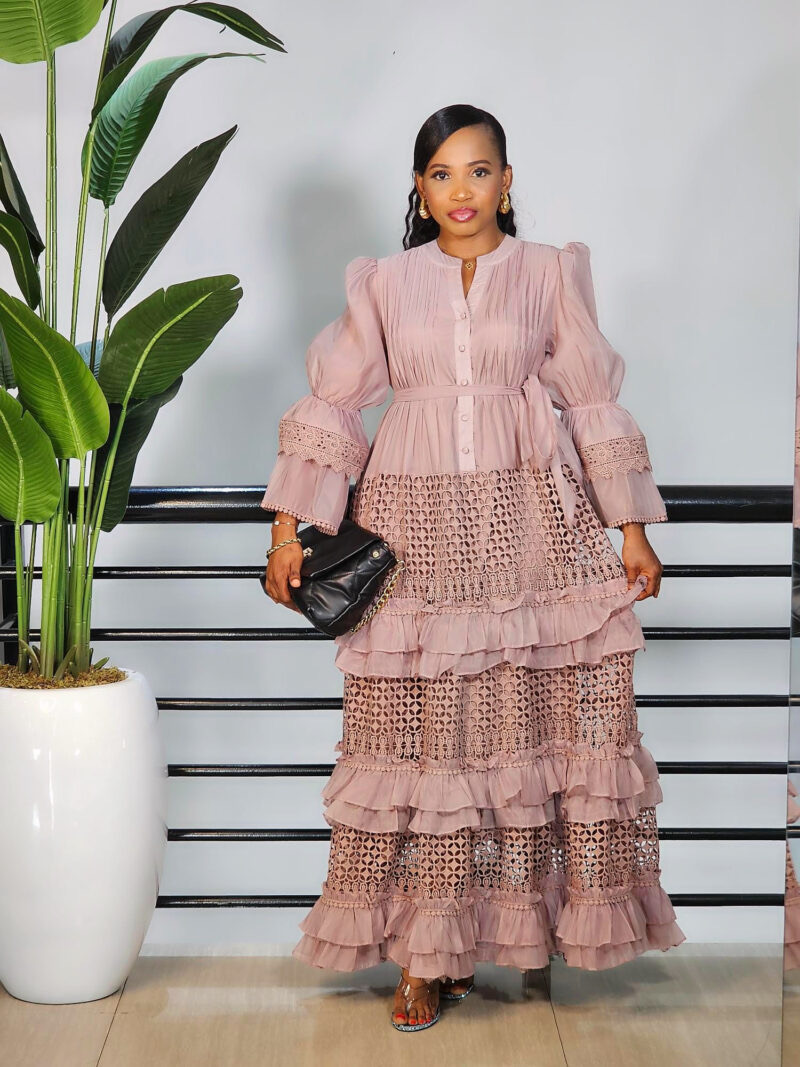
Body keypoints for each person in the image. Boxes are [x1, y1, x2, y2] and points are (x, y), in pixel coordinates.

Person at [262, 103, 686, 1033]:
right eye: (443, 173)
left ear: (506, 180)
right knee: (423, 746)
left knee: (524, 731)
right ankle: (424, 956)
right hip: (411, 533)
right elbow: (336, 405)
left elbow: (590, 402)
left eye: (480, 170)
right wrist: (289, 528)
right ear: (419, 188)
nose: (462, 190)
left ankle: (504, 936)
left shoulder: (546, 273)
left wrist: (631, 529)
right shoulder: (384, 283)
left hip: (530, 525)